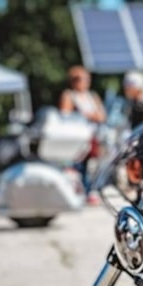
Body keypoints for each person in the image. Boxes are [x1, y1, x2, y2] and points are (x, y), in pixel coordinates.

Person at [59, 65, 105, 202]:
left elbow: (102, 116)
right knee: (76, 166)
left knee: (91, 166)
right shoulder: (69, 95)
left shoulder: (92, 96)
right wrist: (91, 115)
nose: (85, 82)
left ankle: (90, 191)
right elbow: (65, 116)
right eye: (81, 79)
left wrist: (87, 115)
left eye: (87, 79)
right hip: (76, 137)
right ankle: (78, 192)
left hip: (92, 136)